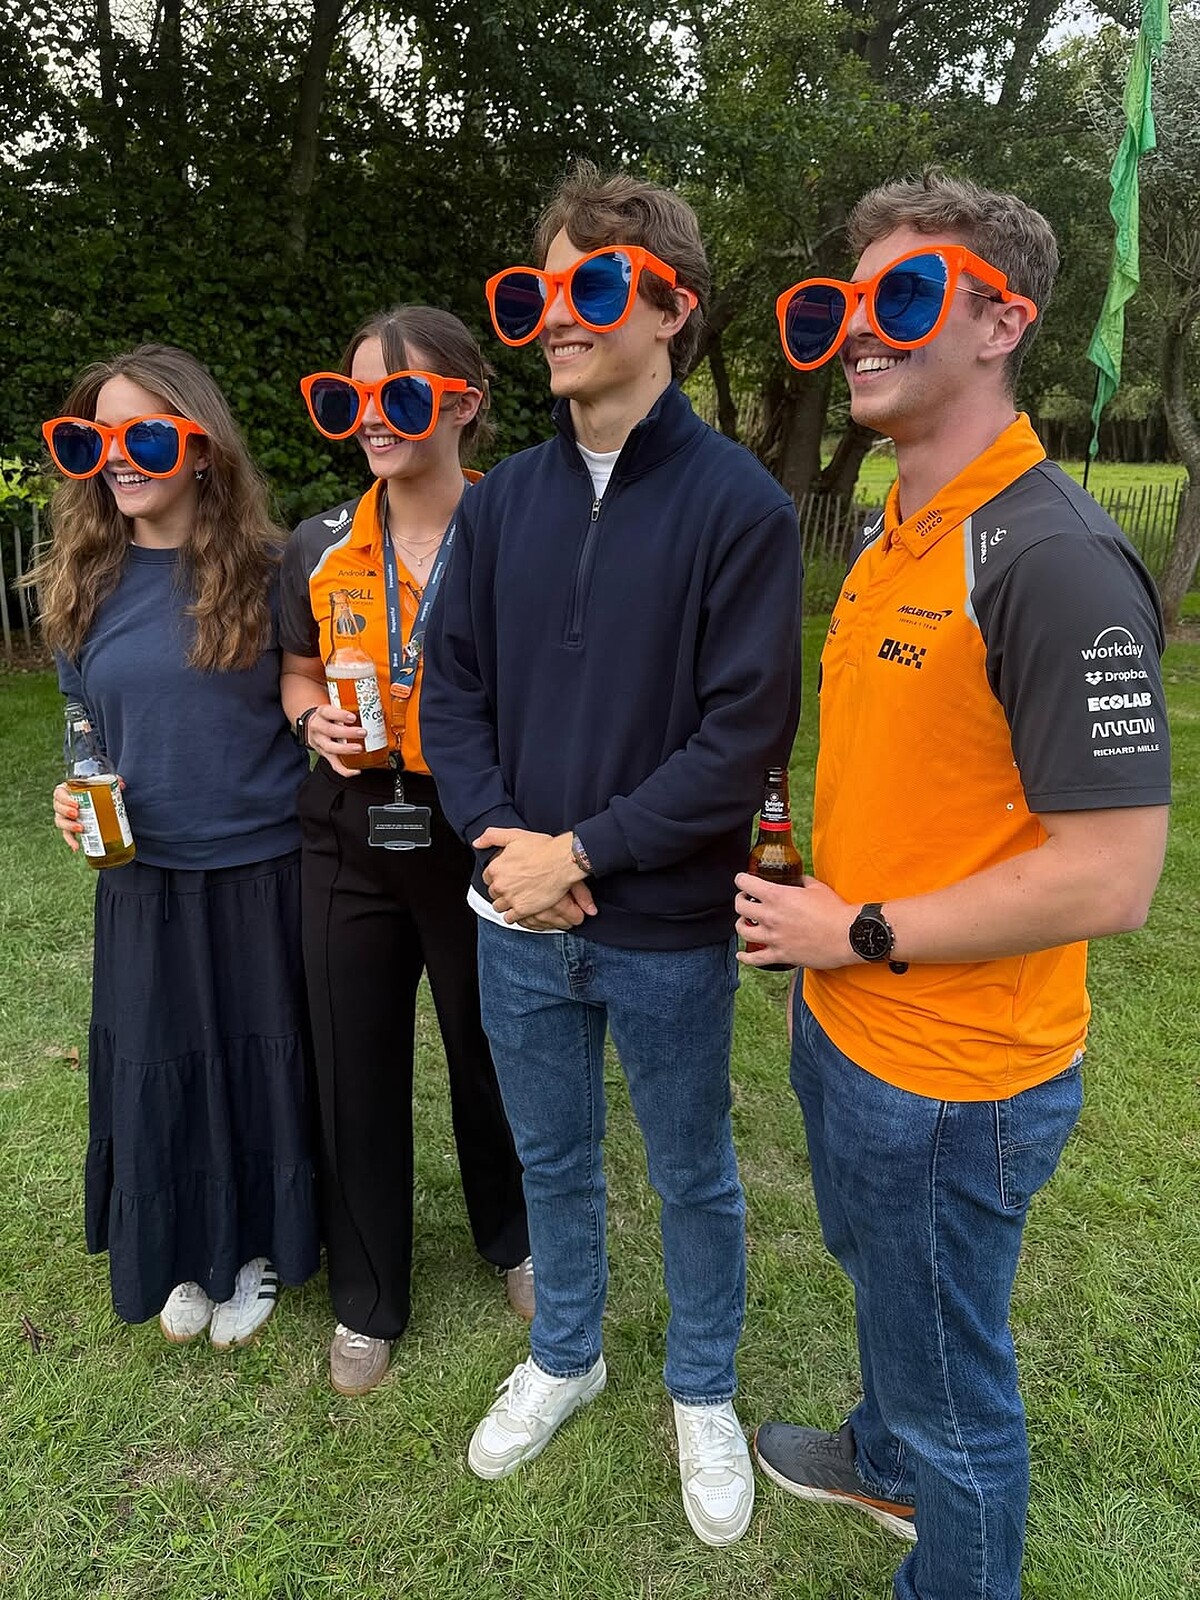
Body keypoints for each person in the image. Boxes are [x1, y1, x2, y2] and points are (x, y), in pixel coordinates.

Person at [744, 171, 1171, 1599]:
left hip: (954, 1077)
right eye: (846, 299)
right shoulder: (895, 526)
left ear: (1004, 323)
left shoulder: (1053, 559)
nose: (862, 326)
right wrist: (825, 929)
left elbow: (1112, 877)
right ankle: (881, 1459)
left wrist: (856, 929)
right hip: (853, 1020)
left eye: (906, 294)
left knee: (956, 1390)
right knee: (895, 1298)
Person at [421, 164, 803, 1546]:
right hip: (515, 914)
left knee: (692, 1170)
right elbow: (451, 695)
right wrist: (506, 849)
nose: (556, 313)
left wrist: (582, 847)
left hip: (669, 926)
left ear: (671, 308)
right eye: (539, 289)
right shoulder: (502, 502)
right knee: (553, 1156)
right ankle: (567, 1353)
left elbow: (741, 734)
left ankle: (702, 1388)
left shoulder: (741, 507)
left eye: (591, 284)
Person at [38, 344, 319, 1348]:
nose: (119, 457)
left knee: (253, 1065)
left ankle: (255, 1248)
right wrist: (78, 790)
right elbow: (84, 720)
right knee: (164, 1064)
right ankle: (189, 1249)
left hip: (261, 871)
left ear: (202, 450)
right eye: (96, 438)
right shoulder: (82, 578)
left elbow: (314, 694)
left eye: (146, 436)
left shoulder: (274, 571)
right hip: (142, 876)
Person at [280, 306, 532, 1398]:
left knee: (492, 1048)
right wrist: (310, 720)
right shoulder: (318, 539)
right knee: (355, 1061)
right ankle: (367, 1294)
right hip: (350, 826)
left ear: (466, 402)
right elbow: (297, 668)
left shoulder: (518, 529)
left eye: (402, 396)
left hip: (476, 825)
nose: (373, 419)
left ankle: (516, 1237)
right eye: (352, 399)